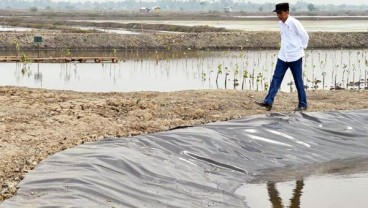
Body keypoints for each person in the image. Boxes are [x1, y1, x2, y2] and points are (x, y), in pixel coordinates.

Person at [255, 2, 309, 111]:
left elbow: (305, 36)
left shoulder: (294, 23)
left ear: (287, 12)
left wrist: (301, 48)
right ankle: (268, 102)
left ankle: (303, 104)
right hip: (283, 55)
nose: (279, 16)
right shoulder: (281, 23)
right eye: (277, 13)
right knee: (276, 78)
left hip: (295, 56)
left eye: (280, 13)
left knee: (298, 80)